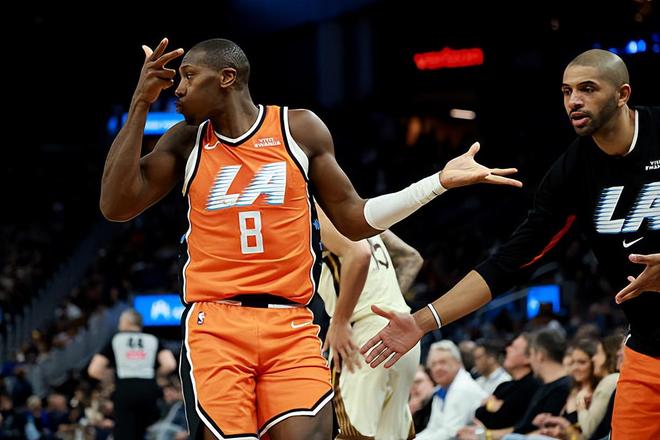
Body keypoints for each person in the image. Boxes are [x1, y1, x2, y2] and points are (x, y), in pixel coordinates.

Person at [100, 37, 521, 440]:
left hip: (292, 324)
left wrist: (437, 182)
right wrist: (140, 102)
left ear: (227, 77)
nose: (178, 88)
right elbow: (116, 205)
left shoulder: (298, 129)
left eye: (189, 76)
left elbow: (356, 220)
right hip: (216, 324)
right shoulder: (186, 140)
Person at [360, 48, 660, 439]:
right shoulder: (571, 172)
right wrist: (420, 322)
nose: (574, 100)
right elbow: (510, 262)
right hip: (647, 349)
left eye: (588, 89)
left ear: (622, 94)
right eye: (566, 91)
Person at [316, 205, 423, 439]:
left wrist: (341, 320)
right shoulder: (361, 214)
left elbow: (359, 255)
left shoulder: (315, 210)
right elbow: (411, 258)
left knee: (350, 433)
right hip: (403, 326)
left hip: (361, 331)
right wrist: (383, 307)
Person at [88, 309, 178, 440]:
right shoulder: (152, 339)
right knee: (145, 433)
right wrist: (155, 376)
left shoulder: (116, 339)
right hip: (148, 390)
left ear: (127, 322)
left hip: (125, 389)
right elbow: (170, 364)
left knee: (124, 434)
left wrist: (112, 381)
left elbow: (94, 369)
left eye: (120, 321)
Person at [415, 340, 487, 440]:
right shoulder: (441, 389)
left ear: (458, 363)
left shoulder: (462, 388)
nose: (437, 368)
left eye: (443, 362)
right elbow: (433, 429)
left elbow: (450, 434)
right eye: (433, 364)